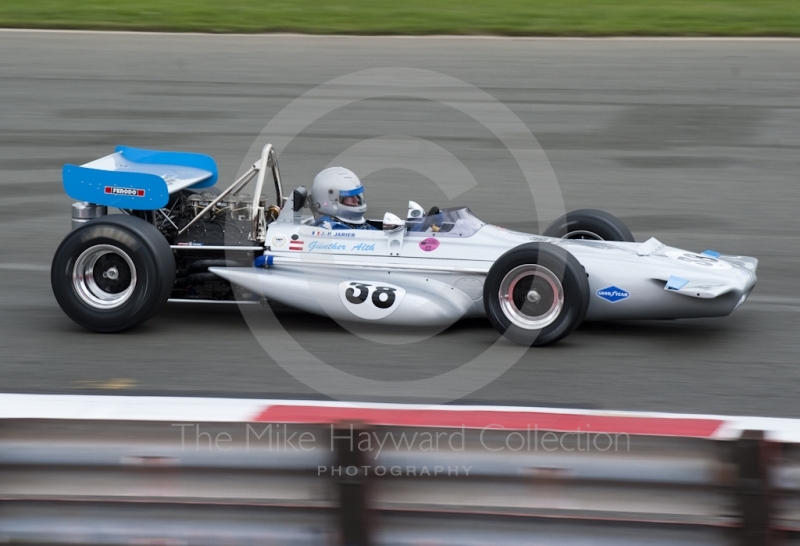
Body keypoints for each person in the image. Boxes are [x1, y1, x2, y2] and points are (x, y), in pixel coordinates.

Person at [309, 167, 377, 230]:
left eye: (357, 195)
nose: (357, 200)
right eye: (349, 197)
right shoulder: (331, 228)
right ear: (330, 201)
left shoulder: (352, 223)